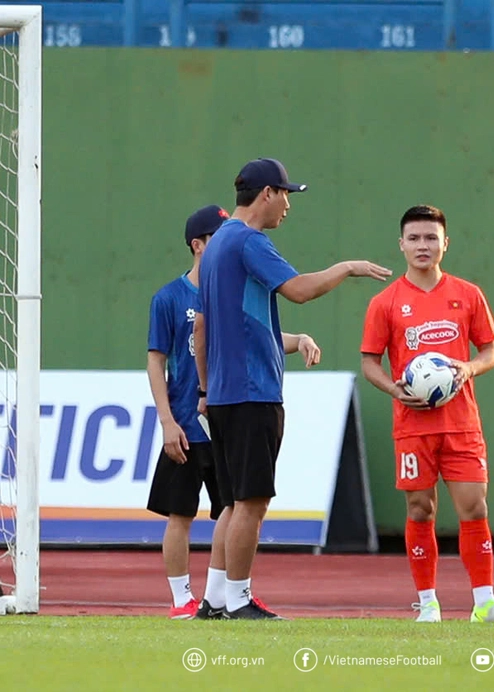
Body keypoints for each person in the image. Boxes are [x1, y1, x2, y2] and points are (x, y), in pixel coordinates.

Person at [195, 158, 392, 620]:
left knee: (231, 503)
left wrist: (205, 390)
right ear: (267, 193)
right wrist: (347, 267)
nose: (288, 205)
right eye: (286, 194)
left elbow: (202, 330)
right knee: (252, 504)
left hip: (224, 395)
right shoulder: (248, 241)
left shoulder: (218, 243)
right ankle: (240, 601)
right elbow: (299, 290)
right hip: (252, 393)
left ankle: (216, 597)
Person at [360, 204, 494, 624]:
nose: (423, 245)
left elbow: (490, 350)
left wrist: (469, 367)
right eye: (414, 238)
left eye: (431, 238)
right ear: (401, 244)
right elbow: (369, 362)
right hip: (413, 426)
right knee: (421, 509)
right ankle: (428, 603)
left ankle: (485, 602)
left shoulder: (468, 295)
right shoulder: (386, 302)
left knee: (474, 507)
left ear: (445, 244)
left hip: (461, 423)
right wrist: (394, 388)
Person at [146, 204, 230, 620]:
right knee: (180, 514)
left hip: (226, 422)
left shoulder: (234, 292)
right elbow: (156, 361)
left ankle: (228, 595)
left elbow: (262, 338)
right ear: (198, 245)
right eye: (217, 237)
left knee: (233, 510)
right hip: (184, 422)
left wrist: (299, 338)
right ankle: (182, 599)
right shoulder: (169, 298)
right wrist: (167, 422)